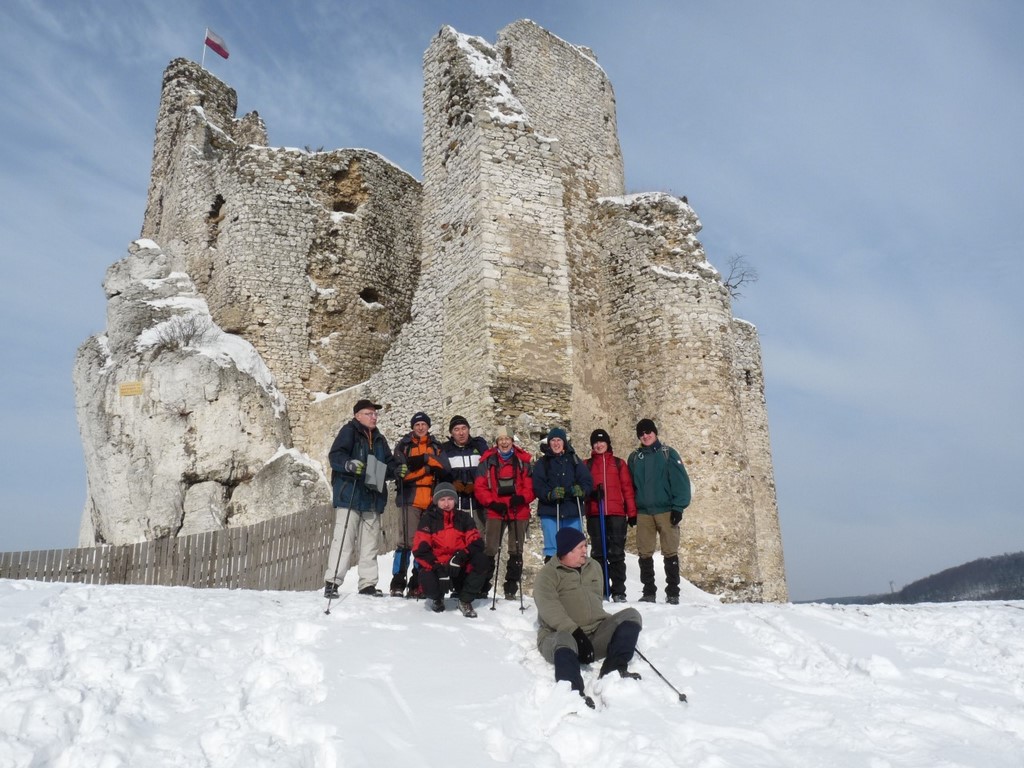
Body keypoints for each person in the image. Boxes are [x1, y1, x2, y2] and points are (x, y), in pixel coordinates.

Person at [534, 528, 643, 708]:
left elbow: (595, 601)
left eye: (585, 545)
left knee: (631, 615)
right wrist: (575, 632)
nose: (585, 550)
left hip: (594, 635)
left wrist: (612, 626)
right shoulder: (548, 575)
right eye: (580, 547)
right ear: (567, 551)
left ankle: (613, 671)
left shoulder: (594, 567)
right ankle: (573, 692)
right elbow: (549, 608)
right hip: (562, 638)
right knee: (564, 638)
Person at [324, 398, 396, 598]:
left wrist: (396, 470)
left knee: (370, 544)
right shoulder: (349, 431)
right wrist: (348, 464)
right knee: (343, 540)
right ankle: (332, 582)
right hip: (350, 494)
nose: (374, 417)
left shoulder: (379, 438)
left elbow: (388, 462)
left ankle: (367, 584)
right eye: (369, 413)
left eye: (375, 413)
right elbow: (335, 455)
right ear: (357, 416)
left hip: (373, 496)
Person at [627, 418, 692, 605]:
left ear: (655, 433)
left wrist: (678, 507)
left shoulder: (668, 454)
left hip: (665, 510)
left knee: (670, 551)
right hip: (644, 512)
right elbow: (630, 487)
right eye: (641, 434)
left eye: (648, 432)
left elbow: (680, 481)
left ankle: (673, 592)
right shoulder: (634, 458)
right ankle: (649, 592)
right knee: (644, 552)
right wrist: (631, 511)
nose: (645, 436)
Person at [412, 482, 491, 618]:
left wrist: (461, 556)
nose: (446, 503)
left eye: (450, 499)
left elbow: (476, 542)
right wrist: (438, 568)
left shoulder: (464, 518)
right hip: (437, 567)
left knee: (482, 560)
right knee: (426, 578)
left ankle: (465, 600)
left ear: (455, 500)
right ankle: (437, 598)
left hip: (459, 566)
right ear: (436, 501)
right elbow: (420, 549)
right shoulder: (428, 519)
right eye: (442, 500)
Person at [474, 426, 535, 601]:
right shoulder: (487, 461)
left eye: (507, 439)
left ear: (512, 441)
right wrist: (491, 502)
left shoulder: (523, 461)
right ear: (496, 442)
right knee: (490, 548)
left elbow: (531, 486)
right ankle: (483, 587)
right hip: (496, 509)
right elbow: (480, 487)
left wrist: (522, 498)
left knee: (516, 549)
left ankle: (511, 587)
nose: (504, 442)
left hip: (518, 509)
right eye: (500, 439)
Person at [391, 411, 445, 598]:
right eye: (417, 425)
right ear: (412, 427)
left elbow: (444, 466)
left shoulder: (436, 446)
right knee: (406, 542)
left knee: (424, 544)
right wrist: (427, 467)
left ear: (428, 426)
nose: (421, 428)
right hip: (410, 499)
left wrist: (423, 462)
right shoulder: (404, 446)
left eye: (423, 424)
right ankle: (398, 582)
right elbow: (403, 475)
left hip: (430, 501)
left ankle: (418, 581)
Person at [584, 428, 637, 603]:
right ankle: (601, 590)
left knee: (616, 553)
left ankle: (619, 591)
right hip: (595, 513)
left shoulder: (619, 463)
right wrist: (591, 494)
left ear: (607, 443)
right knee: (598, 554)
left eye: (602, 442)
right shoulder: (587, 465)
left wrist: (632, 513)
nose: (599, 445)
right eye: (596, 442)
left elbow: (627, 489)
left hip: (616, 514)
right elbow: (583, 487)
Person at [531, 427, 593, 561]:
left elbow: (587, 481)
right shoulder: (543, 463)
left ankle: (574, 573)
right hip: (550, 510)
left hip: (572, 510)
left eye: (559, 440)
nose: (556, 443)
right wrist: (549, 494)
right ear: (549, 443)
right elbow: (538, 485)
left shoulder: (574, 460)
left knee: (574, 547)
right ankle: (552, 572)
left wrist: (581, 491)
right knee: (552, 549)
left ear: (564, 442)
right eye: (553, 440)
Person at [439, 415, 490, 531]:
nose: (461, 433)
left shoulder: (479, 446)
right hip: (455, 503)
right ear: (451, 433)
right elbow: (441, 473)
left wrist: (476, 485)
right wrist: (452, 484)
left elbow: (488, 470)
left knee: (478, 535)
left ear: (469, 430)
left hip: (477, 502)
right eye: (456, 430)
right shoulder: (445, 450)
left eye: (464, 428)